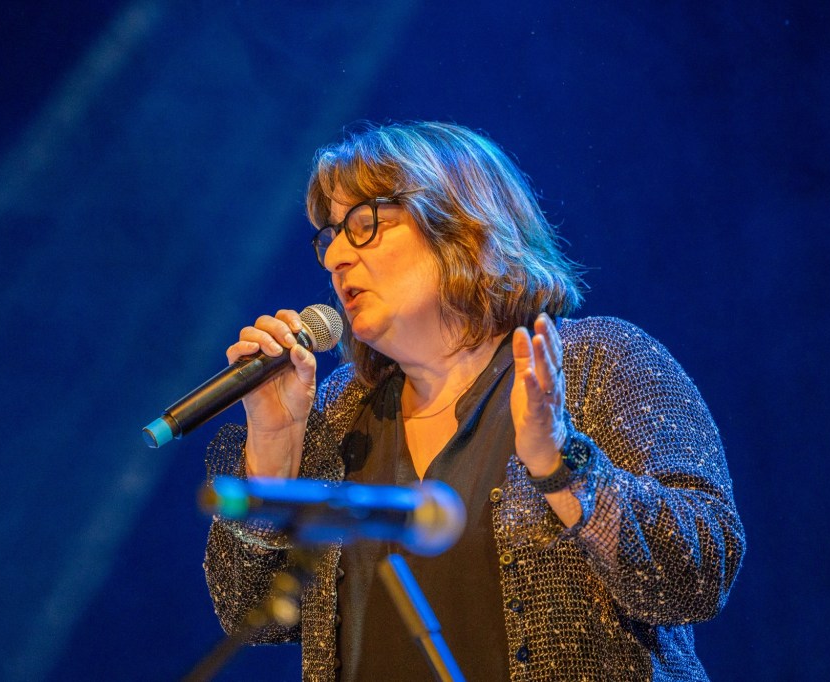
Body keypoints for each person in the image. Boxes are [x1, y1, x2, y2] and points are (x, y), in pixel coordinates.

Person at [203, 121, 745, 681]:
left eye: (364, 225)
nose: (334, 256)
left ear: (461, 224)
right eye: (331, 235)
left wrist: (562, 465)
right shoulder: (342, 409)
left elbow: (699, 577)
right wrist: (273, 444)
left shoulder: (596, 362)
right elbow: (250, 614)